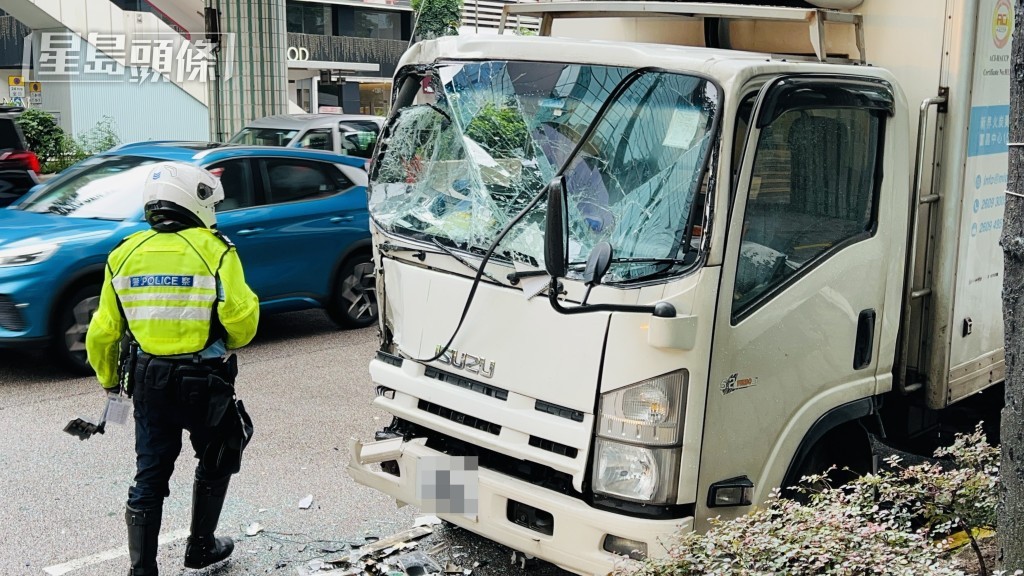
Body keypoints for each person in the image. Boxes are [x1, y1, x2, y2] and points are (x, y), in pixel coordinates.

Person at [85, 162, 260, 575]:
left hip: (148, 380)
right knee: (219, 455)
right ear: (194, 202)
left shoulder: (123, 253)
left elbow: (103, 332)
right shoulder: (214, 249)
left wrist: (110, 381)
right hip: (205, 378)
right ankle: (201, 546)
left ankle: (142, 569)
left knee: (150, 473)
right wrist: (229, 342)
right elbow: (241, 318)